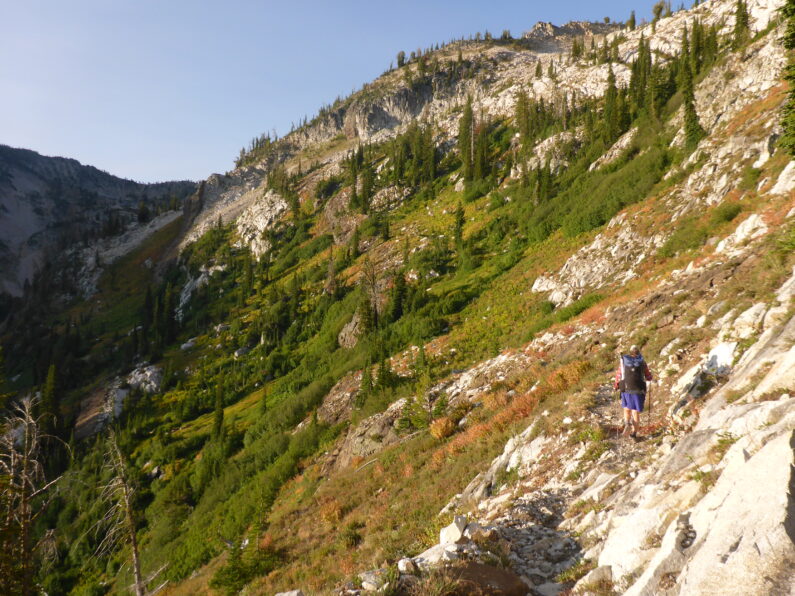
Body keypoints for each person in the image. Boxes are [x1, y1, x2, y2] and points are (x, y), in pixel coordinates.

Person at [614, 345, 653, 438]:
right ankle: (634, 433)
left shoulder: (624, 361)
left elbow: (619, 375)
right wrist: (650, 377)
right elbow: (648, 376)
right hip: (639, 390)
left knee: (627, 409)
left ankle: (627, 423)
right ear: (638, 352)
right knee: (635, 412)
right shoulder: (642, 362)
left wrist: (616, 386)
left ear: (630, 352)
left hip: (626, 389)